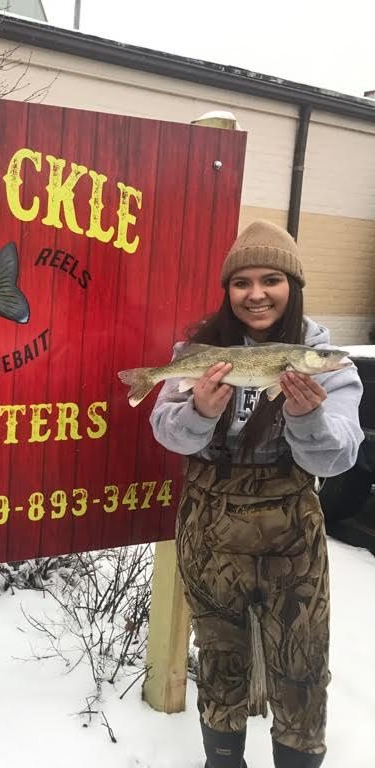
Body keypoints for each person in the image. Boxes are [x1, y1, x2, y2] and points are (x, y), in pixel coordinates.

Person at [149, 220, 362, 768]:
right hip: (209, 534)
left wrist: (308, 418)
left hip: (291, 540)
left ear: (294, 285)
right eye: (241, 282)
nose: (256, 294)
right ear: (228, 290)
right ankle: (222, 761)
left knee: (301, 665)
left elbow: (338, 458)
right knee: (219, 662)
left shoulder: (323, 361)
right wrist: (199, 411)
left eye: (272, 279)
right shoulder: (199, 350)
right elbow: (168, 434)